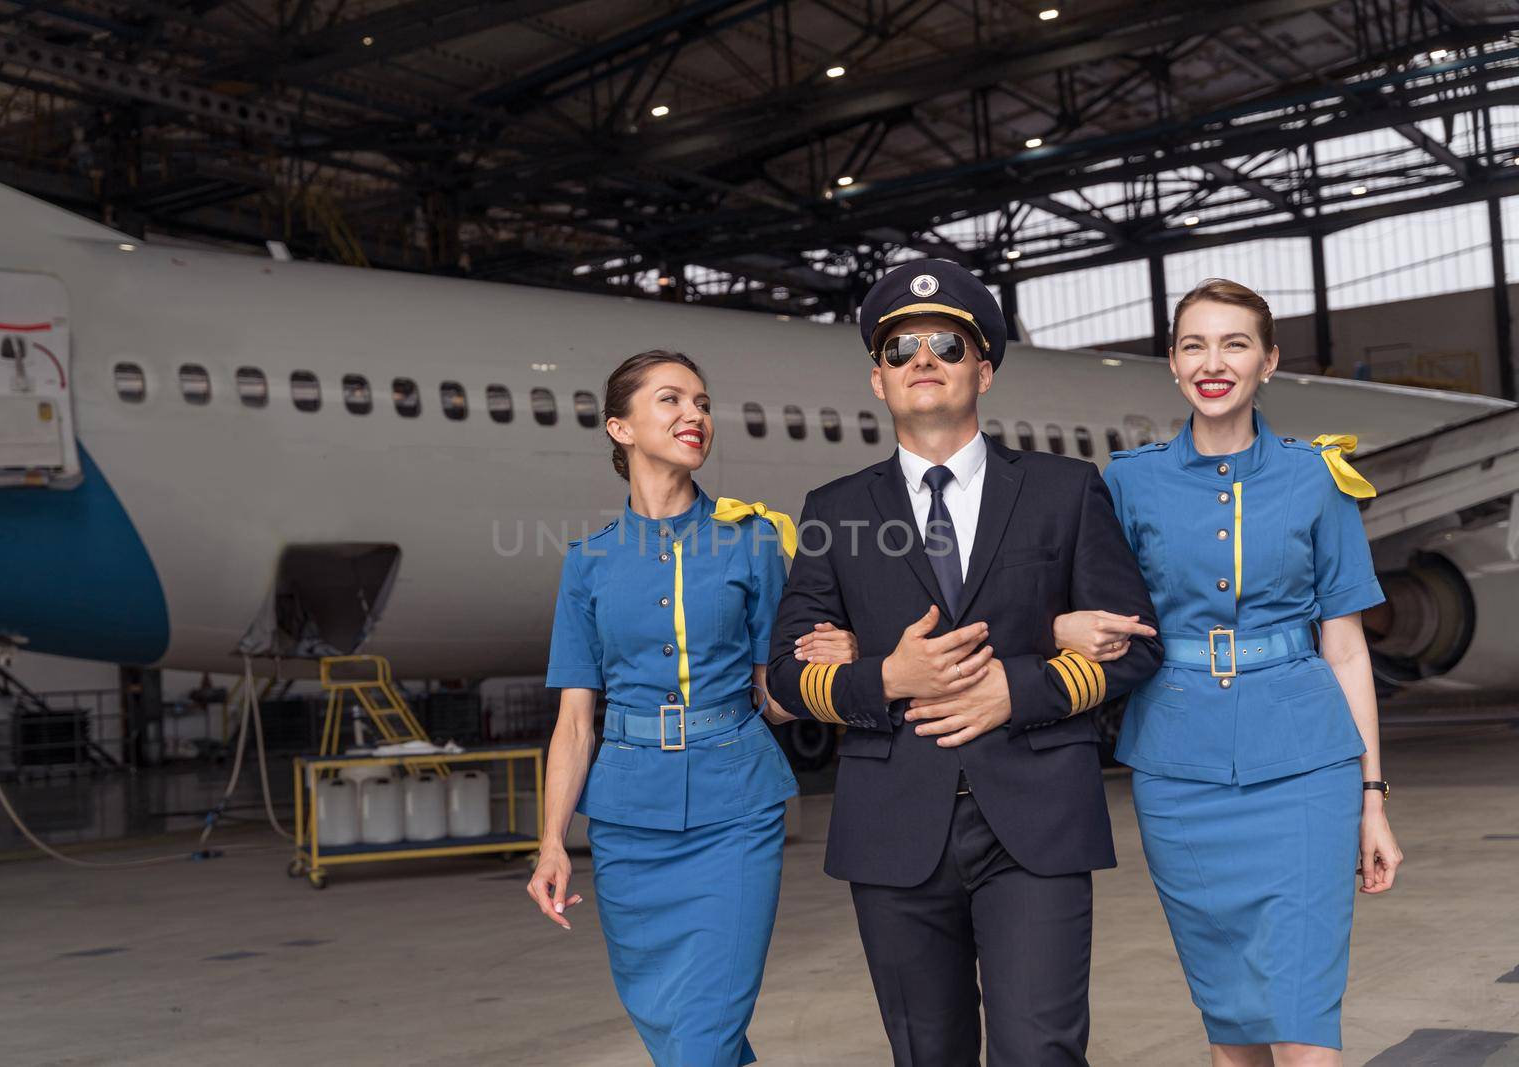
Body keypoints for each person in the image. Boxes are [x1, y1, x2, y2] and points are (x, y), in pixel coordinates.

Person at [765, 258, 1163, 1066]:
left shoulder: (1064, 489)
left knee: (1040, 1049)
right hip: (894, 822)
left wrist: (1013, 689)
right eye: (899, 348)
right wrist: (884, 677)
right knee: (926, 1051)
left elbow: (1137, 642)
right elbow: (783, 673)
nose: (923, 359)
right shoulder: (834, 511)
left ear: (983, 369)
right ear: (878, 380)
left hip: (1035, 817)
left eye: (946, 344)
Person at [1059, 278, 1404, 1064]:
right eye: (1194, 344)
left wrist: (1372, 799)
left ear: (1269, 361)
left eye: (1235, 343)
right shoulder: (1126, 482)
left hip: (1308, 767)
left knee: (1303, 1025)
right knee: (1234, 1028)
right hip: (1179, 774)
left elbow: (1345, 646)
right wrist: (1060, 623)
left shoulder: (1319, 477)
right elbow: (1082, 602)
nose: (1213, 362)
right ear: (1174, 364)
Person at [527, 349, 855, 1067]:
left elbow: (778, 699)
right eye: (672, 400)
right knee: (674, 1029)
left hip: (735, 807)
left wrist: (841, 661)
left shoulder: (755, 539)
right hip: (625, 822)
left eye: (702, 403)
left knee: (703, 1032)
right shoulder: (589, 562)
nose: (695, 416)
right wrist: (553, 840)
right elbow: (576, 722)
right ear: (620, 426)